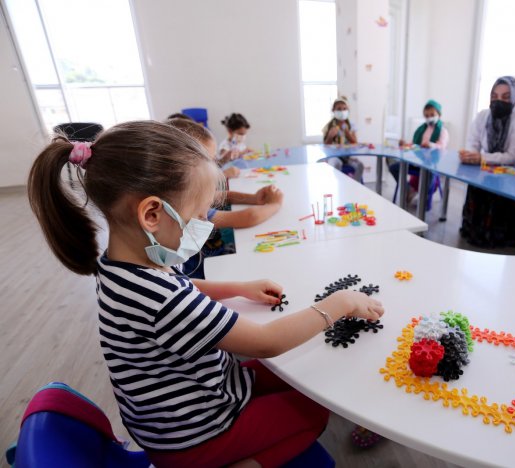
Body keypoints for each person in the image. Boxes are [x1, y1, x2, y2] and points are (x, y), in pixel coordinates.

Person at [27, 120, 384, 468]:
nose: (204, 222)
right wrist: (342, 302)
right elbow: (265, 342)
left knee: (301, 376)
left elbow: (181, 286)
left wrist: (238, 288)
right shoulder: (162, 299)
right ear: (152, 213)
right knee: (314, 409)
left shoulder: (121, 264)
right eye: (198, 214)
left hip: (174, 417)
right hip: (194, 438)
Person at [166, 118, 284, 278]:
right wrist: (275, 204)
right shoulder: (186, 206)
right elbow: (247, 217)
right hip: (201, 272)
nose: (214, 170)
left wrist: (254, 198)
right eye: (207, 164)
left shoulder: (193, 195)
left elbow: (224, 195)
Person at [458, 76, 515, 248]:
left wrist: (481, 158)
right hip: (485, 168)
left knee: (500, 203)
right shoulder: (483, 116)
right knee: (478, 192)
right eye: (494, 96)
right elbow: (473, 142)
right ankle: (474, 232)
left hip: (512, 172)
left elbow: (512, 156)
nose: (498, 101)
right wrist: (470, 154)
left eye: (506, 97)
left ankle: (499, 239)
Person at [389, 99, 449, 203]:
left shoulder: (443, 131)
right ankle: (408, 189)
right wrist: (406, 144)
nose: (429, 117)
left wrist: (430, 145)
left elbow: (442, 147)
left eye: (432, 114)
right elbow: (414, 145)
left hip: (432, 164)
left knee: (429, 174)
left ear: (439, 114)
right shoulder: (422, 129)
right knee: (394, 167)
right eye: (426, 116)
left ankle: (424, 196)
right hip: (417, 162)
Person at [323, 97, 364, 183]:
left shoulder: (350, 125)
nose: (342, 111)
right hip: (334, 156)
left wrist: (347, 133)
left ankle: (354, 185)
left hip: (348, 156)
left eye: (344, 109)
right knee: (336, 164)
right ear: (333, 110)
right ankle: (338, 186)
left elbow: (355, 143)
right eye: (339, 109)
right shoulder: (329, 126)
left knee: (360, 165)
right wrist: (330, 136)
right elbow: (325, 146)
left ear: (348, 110)